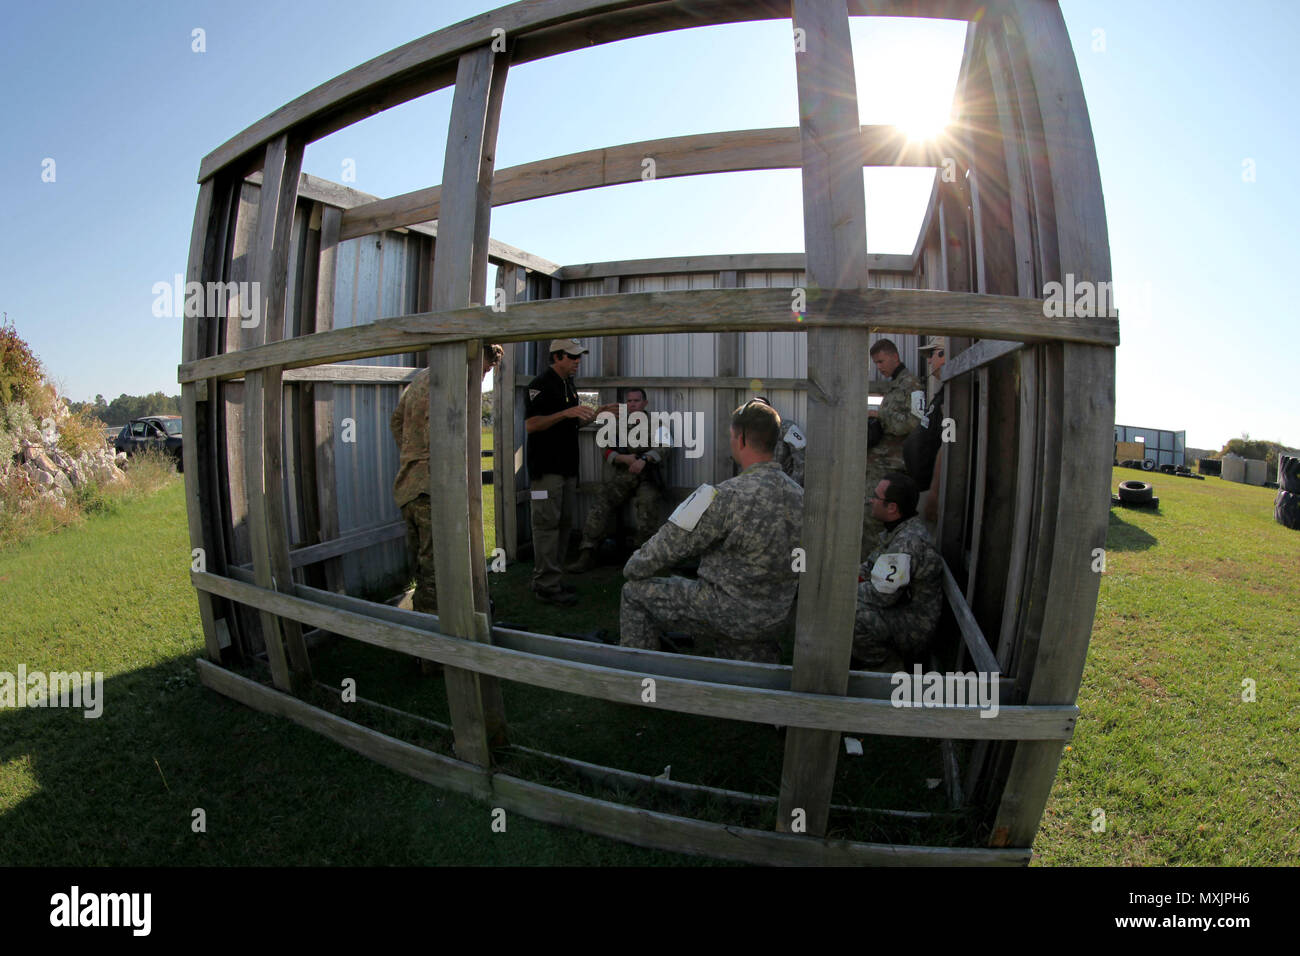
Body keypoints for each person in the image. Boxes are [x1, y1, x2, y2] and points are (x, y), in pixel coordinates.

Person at [619, 398, 803, 663]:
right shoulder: (801, 496)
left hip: (727, 611)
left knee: (634, 594)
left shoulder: (722, 495)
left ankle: (639, 683)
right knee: (747, 669)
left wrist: (632, 567)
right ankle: (755, 671)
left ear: (739, 440)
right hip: (776, 615)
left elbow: (666, 546)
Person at [390, 343, 503, 615]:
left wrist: (412, 455)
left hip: (410, 487)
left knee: (426, 568)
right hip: (433, 491)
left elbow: (396, 422)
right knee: (437, 574)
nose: (484, 377)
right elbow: (439, 436)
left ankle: (441, 627)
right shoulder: (449, 382)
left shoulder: (422, 378)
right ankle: (434, 649)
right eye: (485, 369)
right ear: (473, 358)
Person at [525, 338, 599, 606]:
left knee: (564, 524)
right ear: (556, 356)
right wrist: (566, 413)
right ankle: (545, 586)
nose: (577, 361)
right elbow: (532, 425)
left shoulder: (568, 384)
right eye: (572, 356)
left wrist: (599, 413)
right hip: (546, 471)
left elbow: (569, 423)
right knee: (546, 526)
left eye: (579, 357)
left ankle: (552, 579)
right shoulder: (539, 385)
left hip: (567, 469)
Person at [567, 386, 671, 573]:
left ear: (645, 403)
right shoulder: (616, 424)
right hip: (622, 477)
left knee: (649, 502)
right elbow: (605, 448)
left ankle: (643, 556)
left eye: (636, 400)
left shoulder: (656, 423)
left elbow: (665, 446)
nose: (632, 404)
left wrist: (645, 459)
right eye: (629, 401)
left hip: (647, 476)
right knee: (602, 502)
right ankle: (587, 552)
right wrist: (624, 458)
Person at [853, 471, 944, 670]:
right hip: (899, 610)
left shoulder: (906, 543)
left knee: (850, 614)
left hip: (913, 626)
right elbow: (869, 569)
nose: (871, 501)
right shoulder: (895, 531)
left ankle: (887, 667)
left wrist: (842, 592)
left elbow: (882, 595)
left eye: (876, 497)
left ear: (892, 508)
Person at [863, 338, 924, 559]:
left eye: (881, 361)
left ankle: (875, 569)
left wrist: (880, 415)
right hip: (879, 468)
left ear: (894, 356)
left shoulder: (912, 385)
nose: (879, 367)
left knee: (875, 522)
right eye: (876, 363)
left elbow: (915, 422)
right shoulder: (895, 386)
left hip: (892, 469)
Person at [904, 338, 947, 523]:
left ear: (946, 354)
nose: (929, 361)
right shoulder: (945, 391)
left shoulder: (956, 395)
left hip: (933, 489)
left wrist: (936, 493)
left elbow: (948, 446)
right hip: (923, 486)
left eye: (932, 354)